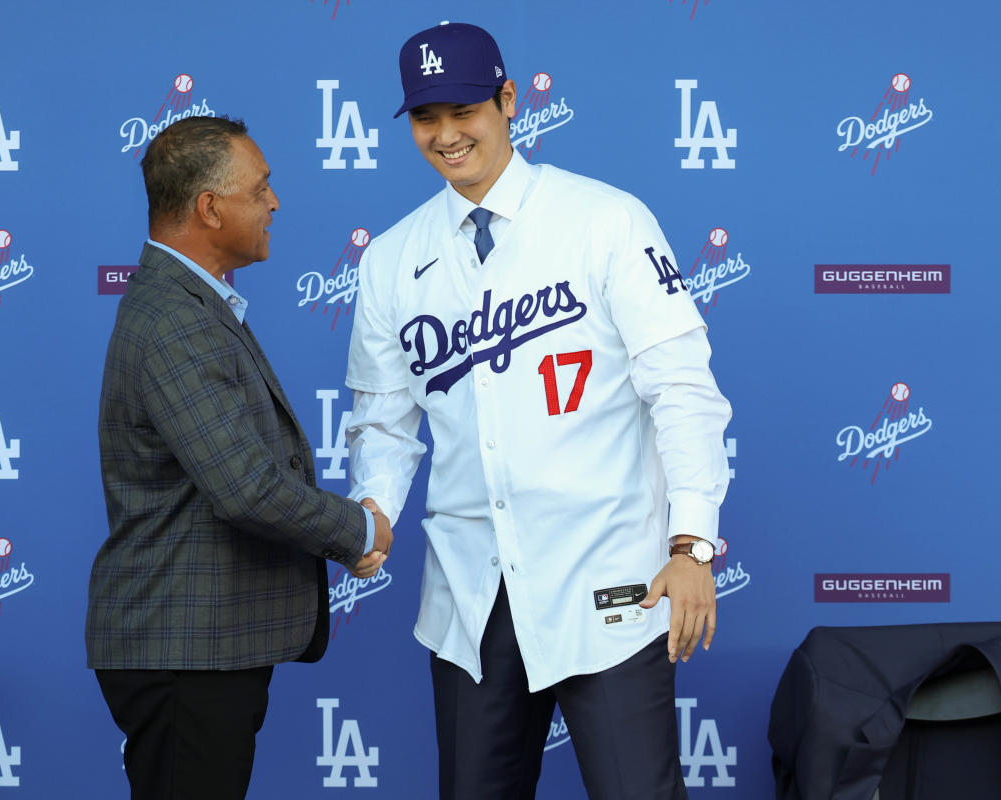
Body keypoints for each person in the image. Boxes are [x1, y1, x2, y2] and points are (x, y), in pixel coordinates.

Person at [345, 22, 732, 800]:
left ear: (508, 100)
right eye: (426, 118)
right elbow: (384, 421)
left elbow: (683, 389)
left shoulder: (605, 220)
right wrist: (374, 510)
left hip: (609, 584)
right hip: (470, 596)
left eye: (464, 111)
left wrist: (691, 544)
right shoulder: (391, 258)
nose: (447, 136)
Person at [86, 115, 392, 800]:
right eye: (261, 189)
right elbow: (246, 487)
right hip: (182, 649)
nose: (274, 202)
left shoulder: (190, 304)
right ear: (210, 207)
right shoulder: (177, 318)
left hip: (197, 646)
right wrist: (361, 531)